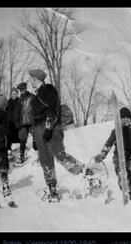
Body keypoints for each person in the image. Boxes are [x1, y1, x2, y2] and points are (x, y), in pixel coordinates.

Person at [28, 69, 90, 203]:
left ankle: (87, 173)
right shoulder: (34, 96)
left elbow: (53, 110)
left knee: (60, 156)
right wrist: (34, 137)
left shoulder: (49, 89)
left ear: (35, 79)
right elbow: (34, 119)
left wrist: (49, 128)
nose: (30, 81)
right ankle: (52, 190)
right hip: (39, 130)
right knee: (45, 160)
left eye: (31, 78)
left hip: (51, 128)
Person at [94, 107, 131, 204]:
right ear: (119, 119)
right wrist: (102, 154)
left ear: (130, 119)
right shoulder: (116, 132)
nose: (125, 119)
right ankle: (126, 190)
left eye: (127, 117)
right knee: (123, 175)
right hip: (120, 157)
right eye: (123, 117)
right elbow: (108, 143)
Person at [15, 82, 36, 164]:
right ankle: (22, 155)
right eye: (20, 89)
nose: (22, 90)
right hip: (22, 123)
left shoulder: (32, 97)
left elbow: (36, 108)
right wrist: (17, 122)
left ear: (26, 88)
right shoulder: (18, 100)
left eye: (23, 88)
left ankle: (38, 154)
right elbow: (16, 112)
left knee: (36, 137)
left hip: (32, 121)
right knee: (22, 139)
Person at [5, 87, 22, 161]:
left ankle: (20, 152)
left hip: (17, 122)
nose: (14, 95)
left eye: (15, 93)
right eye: (12, 93)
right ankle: (9, 152)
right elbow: (6, 111)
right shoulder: (8, 101)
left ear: (17, 94)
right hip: (10, 123)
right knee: (9, 137)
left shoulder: (20, 101)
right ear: (11, 94)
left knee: (19, 137)